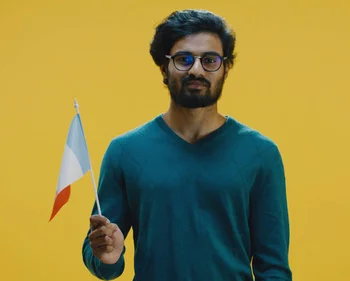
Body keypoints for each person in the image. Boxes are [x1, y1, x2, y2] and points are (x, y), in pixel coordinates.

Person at [81, 9, 292, 281]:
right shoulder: (125, 152)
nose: (196, 69)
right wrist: (106, 256)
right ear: (164, 67)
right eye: (183, 59)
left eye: (209, 60)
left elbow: (273, 267)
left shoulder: (261, 154)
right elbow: (98, 251)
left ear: (225, 68)